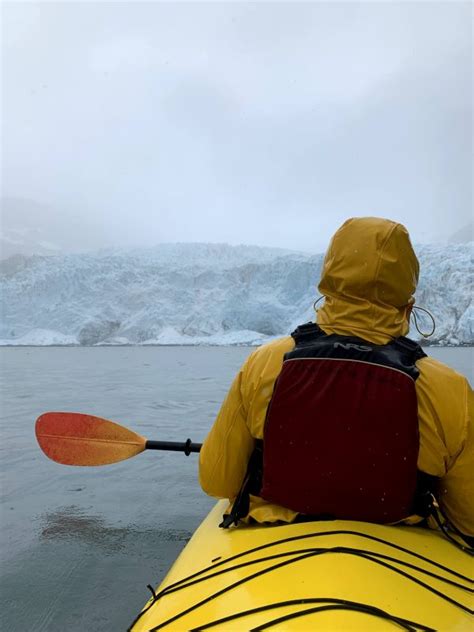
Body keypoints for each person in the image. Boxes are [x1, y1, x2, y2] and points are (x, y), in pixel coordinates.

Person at [198, 217, 474, 544]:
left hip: (275, 540)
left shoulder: (266, 363)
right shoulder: (447, 389)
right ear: (407, 301)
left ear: (327, 282)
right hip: (396, 555)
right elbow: (469, 520)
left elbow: (217, 480)